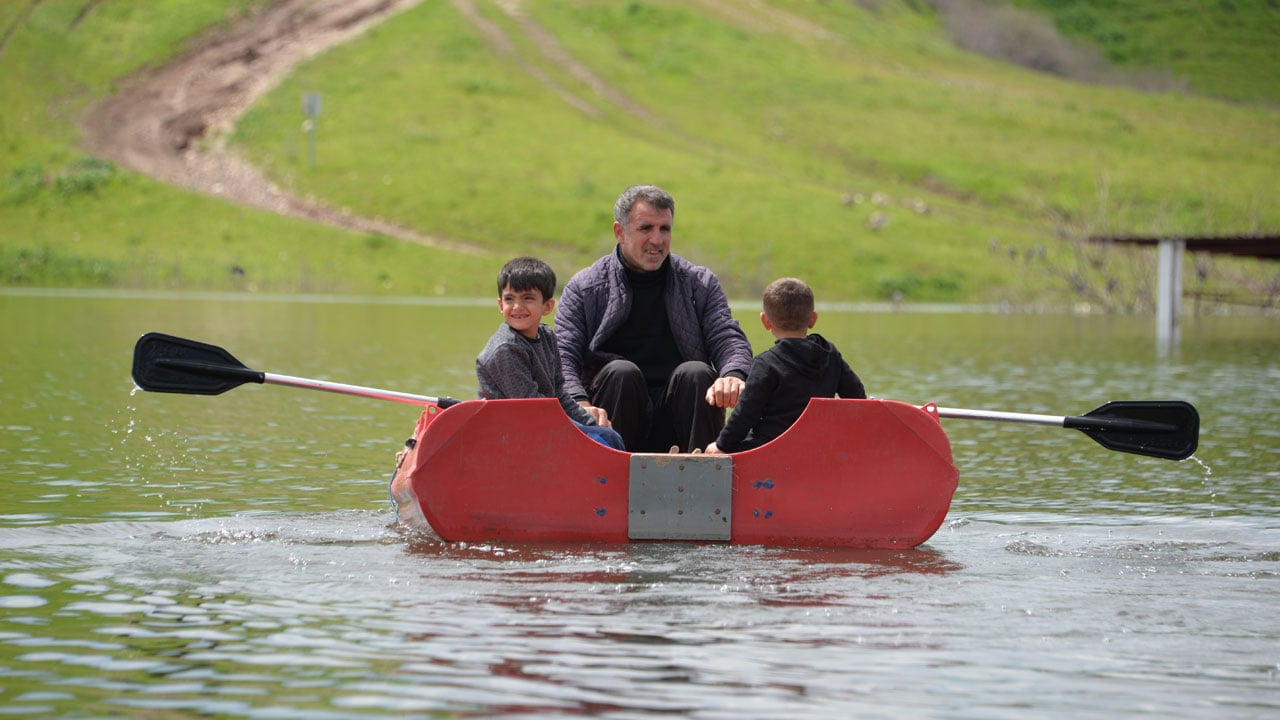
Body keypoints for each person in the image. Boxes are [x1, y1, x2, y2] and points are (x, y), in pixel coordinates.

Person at [555, 185, 754, 452]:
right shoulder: (584, 287)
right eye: (646, 228)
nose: (657, 240)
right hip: (613, 416)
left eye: (665, 229)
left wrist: (733, 374)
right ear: (619, 232)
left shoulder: (700, 283)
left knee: (696, 373)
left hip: (682, 416)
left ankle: (705, 477)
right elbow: (562, 356)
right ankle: (610, 479)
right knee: (621, 372)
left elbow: (727, 337)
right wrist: (579, 402)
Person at [477, 256, 625, 450]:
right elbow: (531, 407)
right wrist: (582, 430)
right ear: (500, 305)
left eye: (528, 298)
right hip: (510, 433)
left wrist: (589, 422)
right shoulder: (506, 349)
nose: (517, 307)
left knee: (609, 435)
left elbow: (558, 393)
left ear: (547, 306)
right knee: (599, 441)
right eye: (509, 299)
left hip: (542, 423)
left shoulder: (547, 336)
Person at [706, 277, 866, 454]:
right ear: (812, 319)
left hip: (771, 449)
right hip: (818, 448)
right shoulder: (830, 355)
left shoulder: (766, 364)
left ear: (765, 321)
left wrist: (721, 445)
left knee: (724, 448)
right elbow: (856, 397)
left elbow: (745, 415)